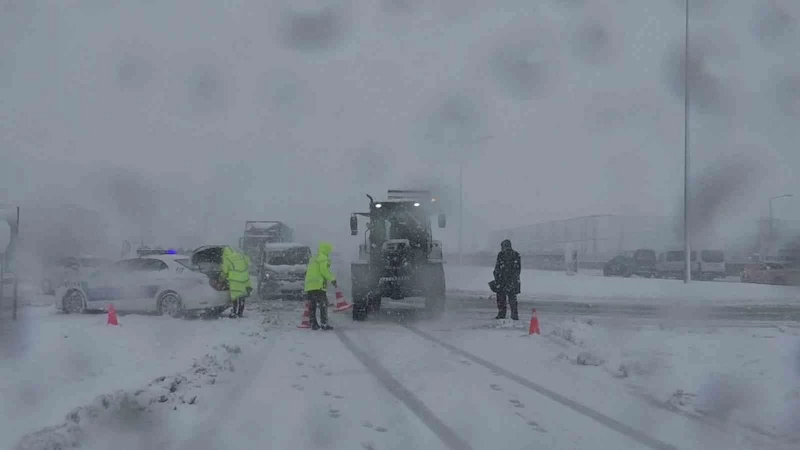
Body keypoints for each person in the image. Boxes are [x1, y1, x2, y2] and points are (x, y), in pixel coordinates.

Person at [304, 241, 337, 330]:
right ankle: (324, 324)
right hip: (318, 285)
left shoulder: (314, 258)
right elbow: (324, 271)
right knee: (323, 304)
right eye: (329, 251)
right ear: (326, 250)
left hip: (309, 285)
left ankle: (313, 323)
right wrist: (332, 279)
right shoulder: (323, 258)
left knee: (312, 305)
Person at [493, 239, 521, 320]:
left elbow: (497, 268)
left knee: (501, 298)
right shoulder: (516, 254)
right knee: (512, 298)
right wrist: (513, 279)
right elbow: (518, 270)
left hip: (502, 280)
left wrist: (496, 277)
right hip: (513, 280)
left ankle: (502, 314)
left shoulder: (501, 254)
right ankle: (514, 315)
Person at [221, 246, 251, 318]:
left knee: (235, 297)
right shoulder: (240, 255)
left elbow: (225, 271)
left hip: (235, 281)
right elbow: (248, 261)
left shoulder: (226, 258)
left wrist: (222, 277)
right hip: (244, 279)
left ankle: (234, 312)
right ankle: (240, 313)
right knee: (242, 297)